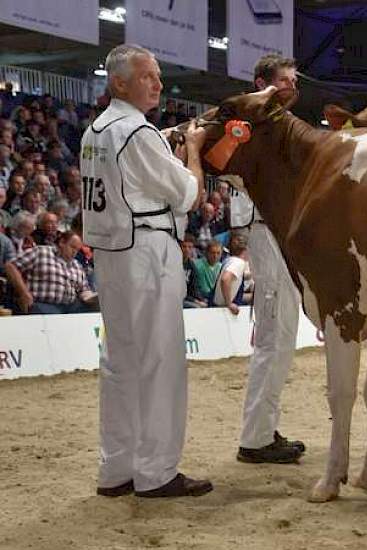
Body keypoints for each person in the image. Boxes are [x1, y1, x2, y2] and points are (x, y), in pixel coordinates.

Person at [82, 44, 211, 498]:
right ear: (119, 83)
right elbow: (189, 192)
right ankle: (156, 472)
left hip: (111, 252)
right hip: (147, 249)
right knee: (160, 362)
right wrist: (192, 149)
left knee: (120, 364)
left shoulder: (95, 130)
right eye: (148, 76)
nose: (158, 84)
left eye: (157, 75)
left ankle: (116, 469)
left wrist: (169, 139)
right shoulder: (137, 132)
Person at [229, 54, 307, 465]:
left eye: (295, 81)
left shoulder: (279, 125)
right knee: (275, 332)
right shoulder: (247, 123)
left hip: (282, 228)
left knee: (284, 333)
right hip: (265, 225)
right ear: (262, 83)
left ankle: (263, 427)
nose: (292, 87)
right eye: (284, 81)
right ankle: (256, 438)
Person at [4, 230, 97, 314]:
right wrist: (23, 293)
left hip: (71, 306)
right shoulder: (41, 252)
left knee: (97, 312)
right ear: (62, 243)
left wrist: (94, 298)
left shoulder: (77, 265)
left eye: (77, 249)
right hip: (43, 303)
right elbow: (10, 266)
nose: (74, 252)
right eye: (72, 247)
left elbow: (84, 290)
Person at [211, 234, 253, 312]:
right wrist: (229, 303)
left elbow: (235, 278)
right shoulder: (238, 263)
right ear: (246, 250)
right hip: (222, 310)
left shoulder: (230, 260)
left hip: (217, 307)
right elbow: (225, 279)